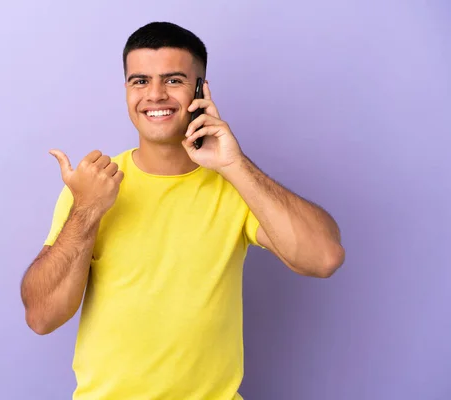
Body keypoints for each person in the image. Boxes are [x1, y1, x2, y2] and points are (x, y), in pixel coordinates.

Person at [20, 21, 345, 400]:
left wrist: (235, 165)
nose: (154, 95)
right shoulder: (93, 186)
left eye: (172, 80)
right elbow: (42, 317)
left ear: (200, 89)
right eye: (139, 81)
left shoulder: (235, 185)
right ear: (126, 90)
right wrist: (86, 211)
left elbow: (323, 258)